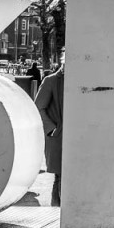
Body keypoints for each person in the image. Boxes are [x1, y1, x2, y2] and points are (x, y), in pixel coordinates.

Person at [35, 47, 65, 206]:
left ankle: (59, 213)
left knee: (66, 177)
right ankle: (56, 212)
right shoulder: (51, 80)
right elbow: (39, 107)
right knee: (60, 176)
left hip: (71, 136)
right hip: (58, 136)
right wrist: (52, 129)